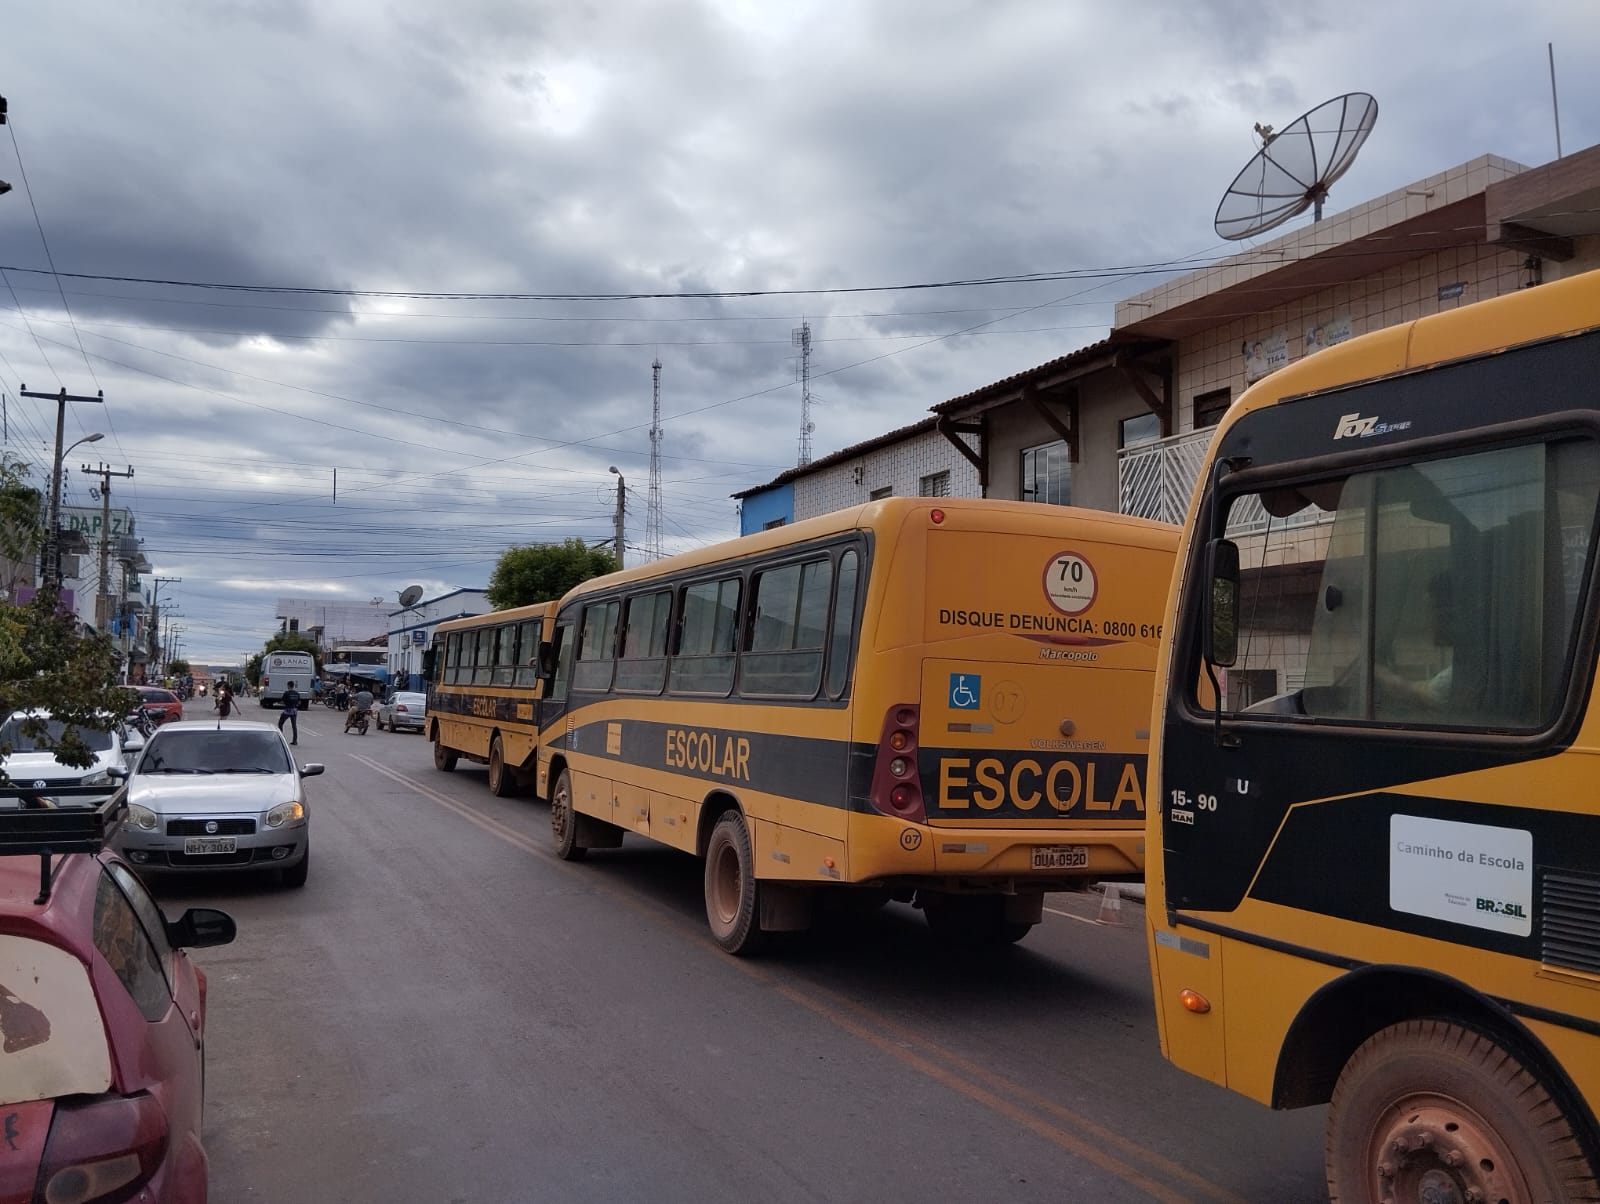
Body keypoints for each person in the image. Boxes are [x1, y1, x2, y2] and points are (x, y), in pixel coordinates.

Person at [279, 681, 302, 745]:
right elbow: (299, 703)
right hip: (294, 711)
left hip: (287, 710)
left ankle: (281, 739)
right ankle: (295, 741)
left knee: (280, 723)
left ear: (288, 685)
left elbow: (282, 702)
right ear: (293, 686)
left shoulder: (286, 693)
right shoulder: (297, 693)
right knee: (294, 726)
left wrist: (279, 703)